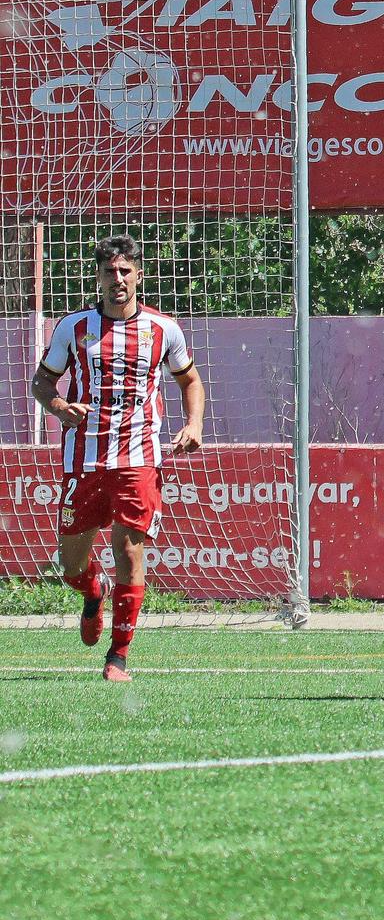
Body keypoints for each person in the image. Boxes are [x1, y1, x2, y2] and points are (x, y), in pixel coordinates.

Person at [32, 235, 204, 681]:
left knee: (129, 549)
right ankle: (94, 592)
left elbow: (190, 381)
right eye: (110, 272)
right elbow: (42, 382)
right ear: (99, 278)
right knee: (70, 563)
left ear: (139, 276)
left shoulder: (163, 329)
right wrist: (58, 407)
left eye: (126, 271)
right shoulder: (73, 327)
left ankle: (118, 656)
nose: (118, 279)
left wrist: (194, 425)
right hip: (84, 460)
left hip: (140, 457)